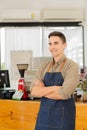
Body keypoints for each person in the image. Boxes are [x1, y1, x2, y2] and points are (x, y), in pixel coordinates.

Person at [31, 31, 79, 130]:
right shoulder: (44, 65)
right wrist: (55, 88)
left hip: (63, 117)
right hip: (43, 117)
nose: (52, 47)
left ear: (64, 45)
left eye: (56, 43)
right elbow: (33, 91)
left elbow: (64, 93)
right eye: (50, 44)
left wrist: (42, 90)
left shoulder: (71, 66)